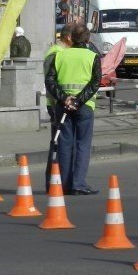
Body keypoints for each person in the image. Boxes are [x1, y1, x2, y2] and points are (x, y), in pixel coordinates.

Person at [44, 23, 102, 196]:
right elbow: (96, 82)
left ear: (72, 38)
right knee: (82, 145)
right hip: (84, 107)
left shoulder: (60, 55)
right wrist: (79, 100)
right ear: (87, 38)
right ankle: (78, 183)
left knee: (64, 144)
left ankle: (63, 183)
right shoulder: (92, 57)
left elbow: (50, 81)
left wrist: (64, 98)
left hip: (63, 106)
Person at [42, 26, 73, 190]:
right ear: (68, 37)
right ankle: (52, 182)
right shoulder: (56, 53)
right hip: (55, 104)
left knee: (58, 142)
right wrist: (55, 104)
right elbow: (51, 82)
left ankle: (55, 180)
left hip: (56, 103)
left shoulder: (58, 52)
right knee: (57, 143)